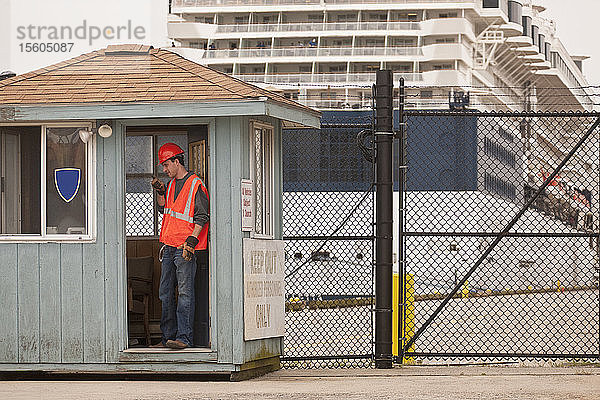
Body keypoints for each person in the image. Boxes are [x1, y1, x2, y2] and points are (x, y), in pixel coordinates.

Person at [150, 143, 209, 349]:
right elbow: (164, 210)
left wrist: (192, 240)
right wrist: (160, 192)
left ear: (177, 161)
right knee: (165, 292)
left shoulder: (195, 184)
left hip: (185, 247)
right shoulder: (172, 184)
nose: (164, 170)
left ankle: (184, 338)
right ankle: (168, 338)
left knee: (185, 293)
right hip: (169, 245)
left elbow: (202, 215)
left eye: (166, 165)